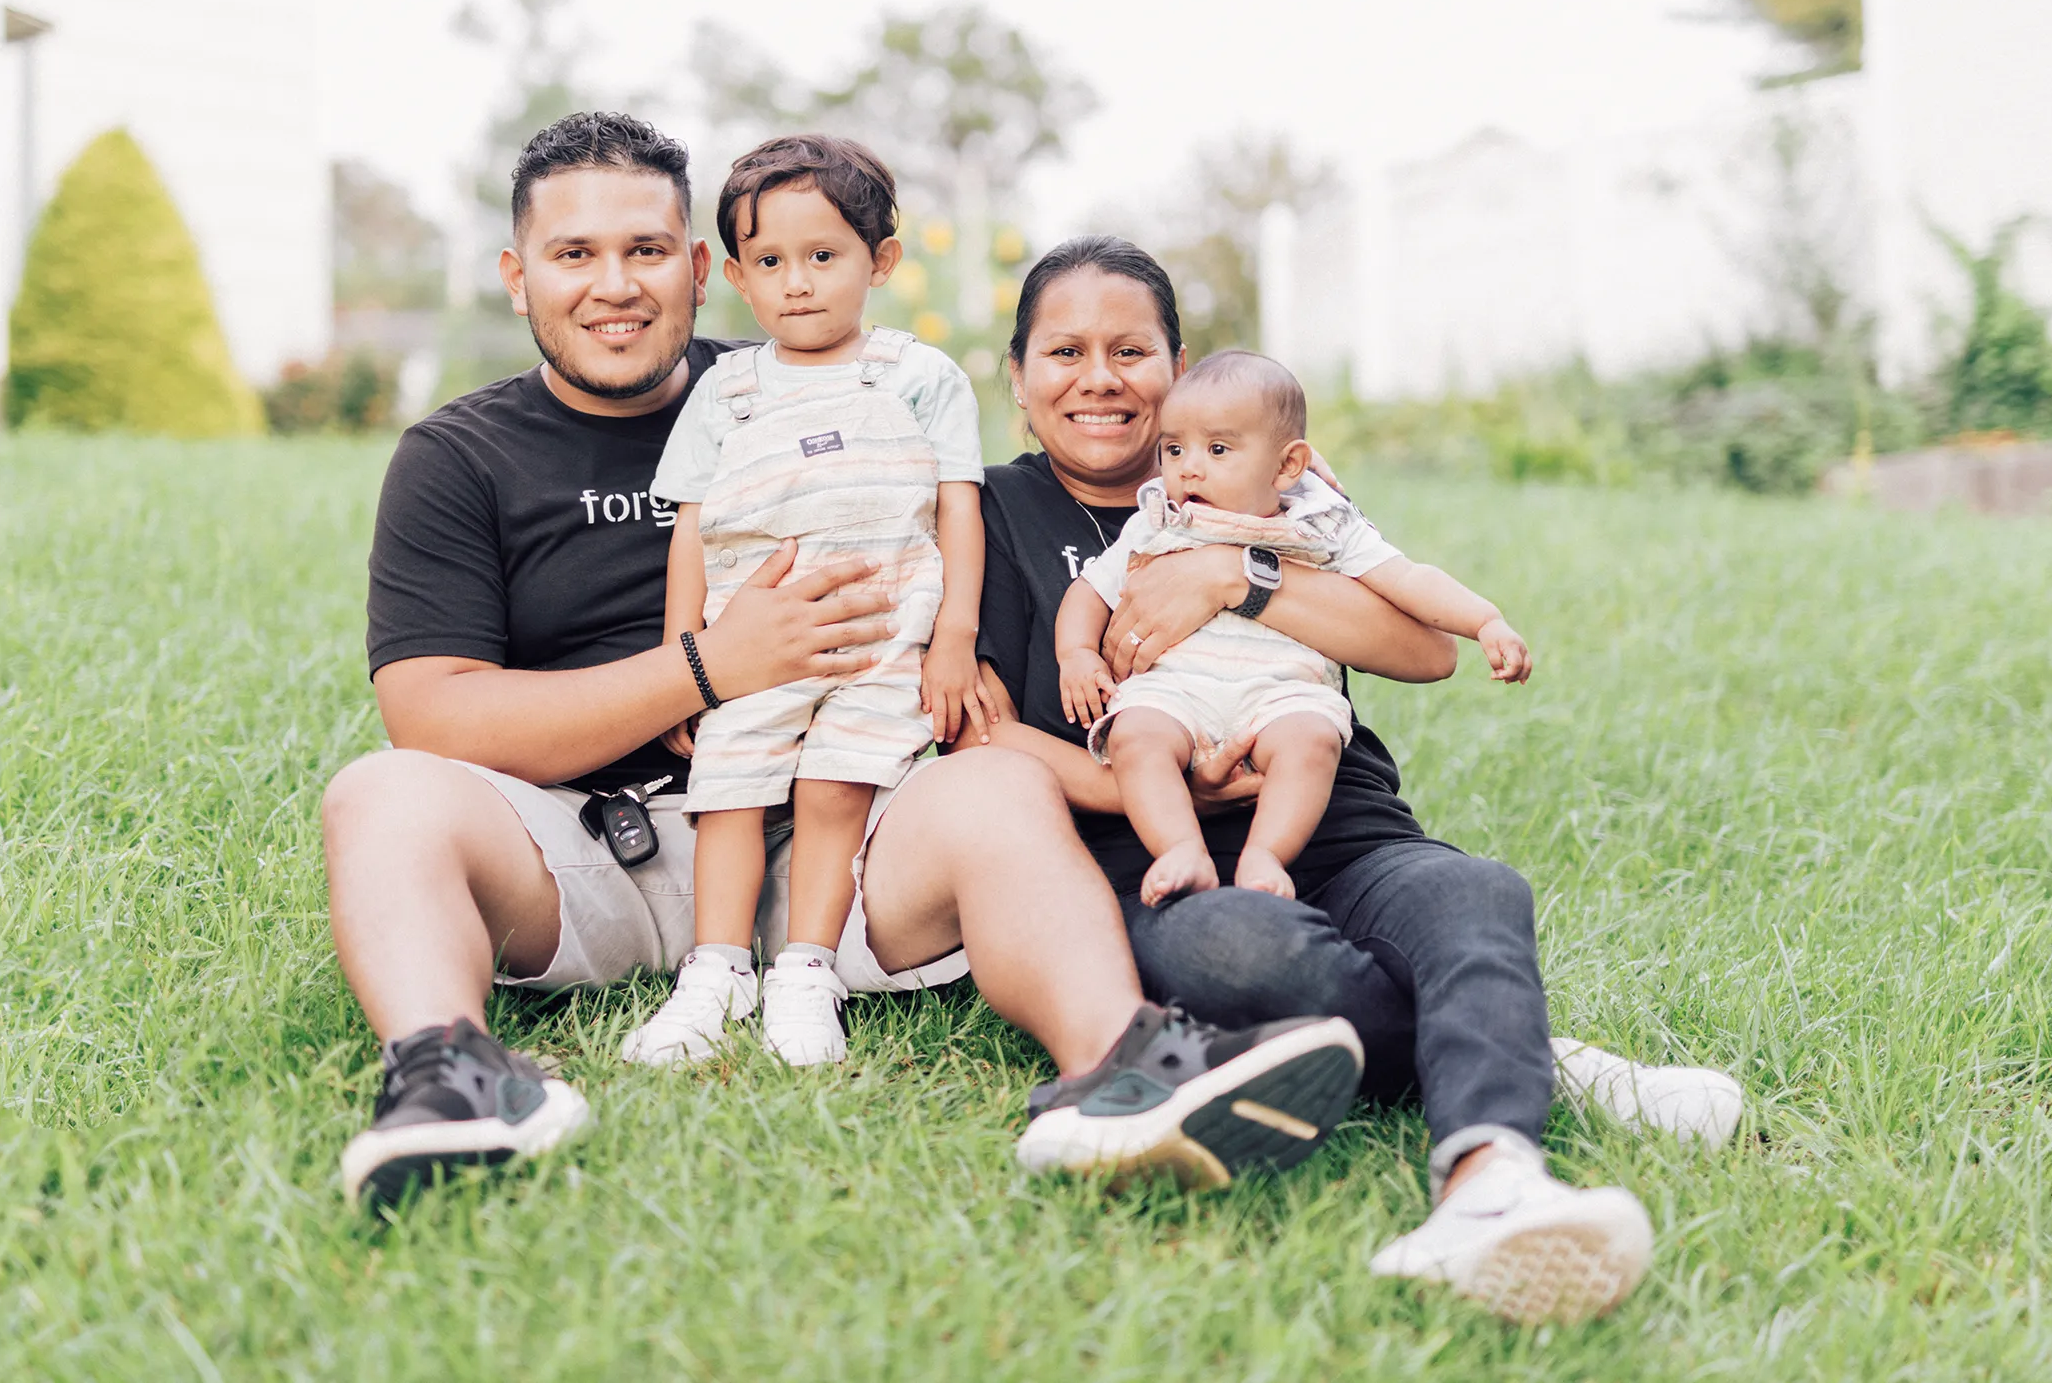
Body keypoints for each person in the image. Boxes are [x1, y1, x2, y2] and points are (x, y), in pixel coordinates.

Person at [322, 112, 1366, 1211]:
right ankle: (452, 1080)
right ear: (515, 275)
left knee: (997, 782)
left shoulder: (816, 376)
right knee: (381, 793)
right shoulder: (457, 458)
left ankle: (1120, 1070)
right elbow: (431, 715)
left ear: (694, 269)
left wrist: (1249, 508)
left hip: (858, 825)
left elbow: (1026, 476)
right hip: (588, 852)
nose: (613, 285)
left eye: (642, 252)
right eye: (572, 255)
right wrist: (708, 668)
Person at [962, 234, 1743, 1326]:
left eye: (1130, 349)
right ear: (1015, 374)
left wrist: (1237, 577)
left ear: (1177, 365)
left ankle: (1488, 1178)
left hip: (1334, 815)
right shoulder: (986, 511)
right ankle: (1514, 1048)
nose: (1098, 378)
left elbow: (1421, 651)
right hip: (1153, 852)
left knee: (1476, 895)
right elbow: (976, 732)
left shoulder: (1264, 472)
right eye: (1062, 351)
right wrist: (1156, 782)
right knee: (1246, 957)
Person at [632, 134, 989, 1067]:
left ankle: (805, 968)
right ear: (740, 280)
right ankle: (713, 973)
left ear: (882, 262)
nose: (797, 282)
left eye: (823, 256)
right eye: (771, 262)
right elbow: (692, 529)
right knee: (729, 791)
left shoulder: (921, 377)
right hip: (749, 636)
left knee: (837, 788)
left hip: (882, 635)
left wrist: (954, 637)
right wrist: (685, 662)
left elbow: (958, 509)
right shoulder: (727, 390)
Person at [1056, 348, 1531, 909]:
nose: (1188, 467)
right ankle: (1181, 849)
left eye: (1217, 450)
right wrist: (1078, 654)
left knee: (1310, 742)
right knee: (1136, 737)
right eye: (1174, 448)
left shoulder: (1321, 524)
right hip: (1175, 691)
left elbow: (1407, 578)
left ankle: (1267, 855)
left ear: (1286, 466)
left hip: (1283, 693)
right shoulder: (1158, 519)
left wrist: (1484, 620)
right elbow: (1090, 589)